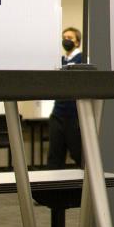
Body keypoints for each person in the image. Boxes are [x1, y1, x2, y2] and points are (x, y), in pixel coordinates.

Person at [46, 26, 87, 167]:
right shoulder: (60, 60)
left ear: (77, 42)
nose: (66, 40)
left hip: (74, 115)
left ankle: (84, 186)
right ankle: (55, 187)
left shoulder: (82, 59)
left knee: (78, 153)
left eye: (69, 38)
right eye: (64, 38)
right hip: (58, 113)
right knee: (55, 156)